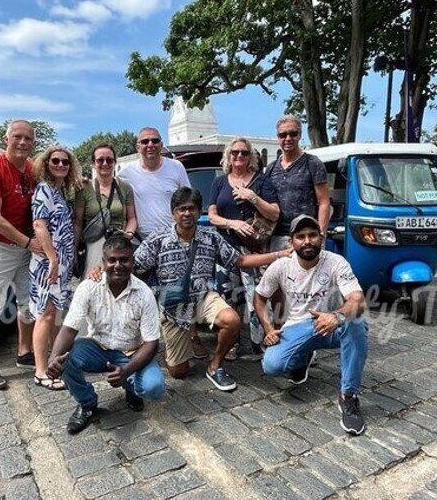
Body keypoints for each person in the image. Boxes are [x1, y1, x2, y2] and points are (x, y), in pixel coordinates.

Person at [133, 187, 287, 391]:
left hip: (203, 298)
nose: (187, 213)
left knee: (232, 320)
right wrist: (102, 270)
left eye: (191, 208)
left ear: (199, 211)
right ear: (173, 213)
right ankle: (182, 343)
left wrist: (279, 255)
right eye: (181, 209)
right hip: (173, 308)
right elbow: (133, 267)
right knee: (179, 372)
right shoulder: (157, 240)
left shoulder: (211, 237)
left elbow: (239, 260)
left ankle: (215, 366)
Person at [255, 214, 369, 435]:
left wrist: (336, 316)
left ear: (321, 237)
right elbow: (259, 297)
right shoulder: (280, 267)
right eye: (301, 236)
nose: (307, 241)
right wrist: (268, 328)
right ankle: (302, 357)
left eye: (312, 235)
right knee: (272, 366)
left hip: (331, 325)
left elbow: (358, 300)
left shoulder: (336, 262)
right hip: (298, 327)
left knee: (355, 322)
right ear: (292, 241)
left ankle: (349, 396)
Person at [46, 235, 165, 434]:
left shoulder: (144, 294)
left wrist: (126, 371)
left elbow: (151, 343)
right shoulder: (88, 287)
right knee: (63, 357)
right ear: (103, 262)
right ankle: (87, 403)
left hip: (131, 354)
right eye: (112, 260)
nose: (118, 265)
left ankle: (131, 386)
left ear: (132, 262)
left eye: (124, 260)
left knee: (154, 386)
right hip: (97, 348)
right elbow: (69, 328)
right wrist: (52, 358)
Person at [0, 120, 44, 391]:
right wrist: (29, 242)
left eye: (28, 138)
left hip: (25, 246)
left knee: (28, 302)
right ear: (7, 139)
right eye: (18, 137)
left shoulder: (31, 170)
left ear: (34, 143)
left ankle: (24, 352)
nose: (23, 142)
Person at [208, 137, 280, 359]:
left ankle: (261, 342)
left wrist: (253, 197)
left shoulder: (261, 182)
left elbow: (275, 213)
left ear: (251, 157)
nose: (239, 157)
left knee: (257, 296)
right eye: (235, 153)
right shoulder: (219, 183)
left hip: (253, 249)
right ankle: (232, 342)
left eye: (244, 153)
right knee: (228, 296)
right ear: (228, 156)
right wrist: (233, 223)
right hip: (225, 249)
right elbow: (212, 215)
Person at [29, 146, 82, 390]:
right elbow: (39, 226)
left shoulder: (60, 192)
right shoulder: (44, 190)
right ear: (46, 164)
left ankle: (53, 363)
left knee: (55, 315)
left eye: (65, 162)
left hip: (61, 265)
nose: (60, 165)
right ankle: (40, 371)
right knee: (46, 315)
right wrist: (52, 258)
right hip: (48, 264)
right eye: (55, 161)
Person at [267, 115, 331, 251]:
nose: (288, 138)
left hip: (305, 236)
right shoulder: (271, 168)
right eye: (283, 135)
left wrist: (321, 235)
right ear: (278, 137)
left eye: (293, 133)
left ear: (300, 135)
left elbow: (324, 202)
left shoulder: (313, 163)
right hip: (276, 237)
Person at [74, 143, 138, 278]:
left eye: (109, 160)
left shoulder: (125, 187)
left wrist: (129, 234)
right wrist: (74, 250)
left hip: (119, 244)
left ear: (115, 162)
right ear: (93, 163)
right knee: (94, 284)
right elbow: (78, 222)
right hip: (93, 246)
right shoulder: (84, 188)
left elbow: (132, 218)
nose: (105, 163)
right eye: (100, 160)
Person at [119, 127, 190, 240]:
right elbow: (107, 187)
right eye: (145, 141)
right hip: (141, 241)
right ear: (138, 147)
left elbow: (188, 200)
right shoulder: (126, 173)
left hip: (173, 238)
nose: (150, 144)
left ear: (161, 145)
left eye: (155, 140)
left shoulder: (176, 167)